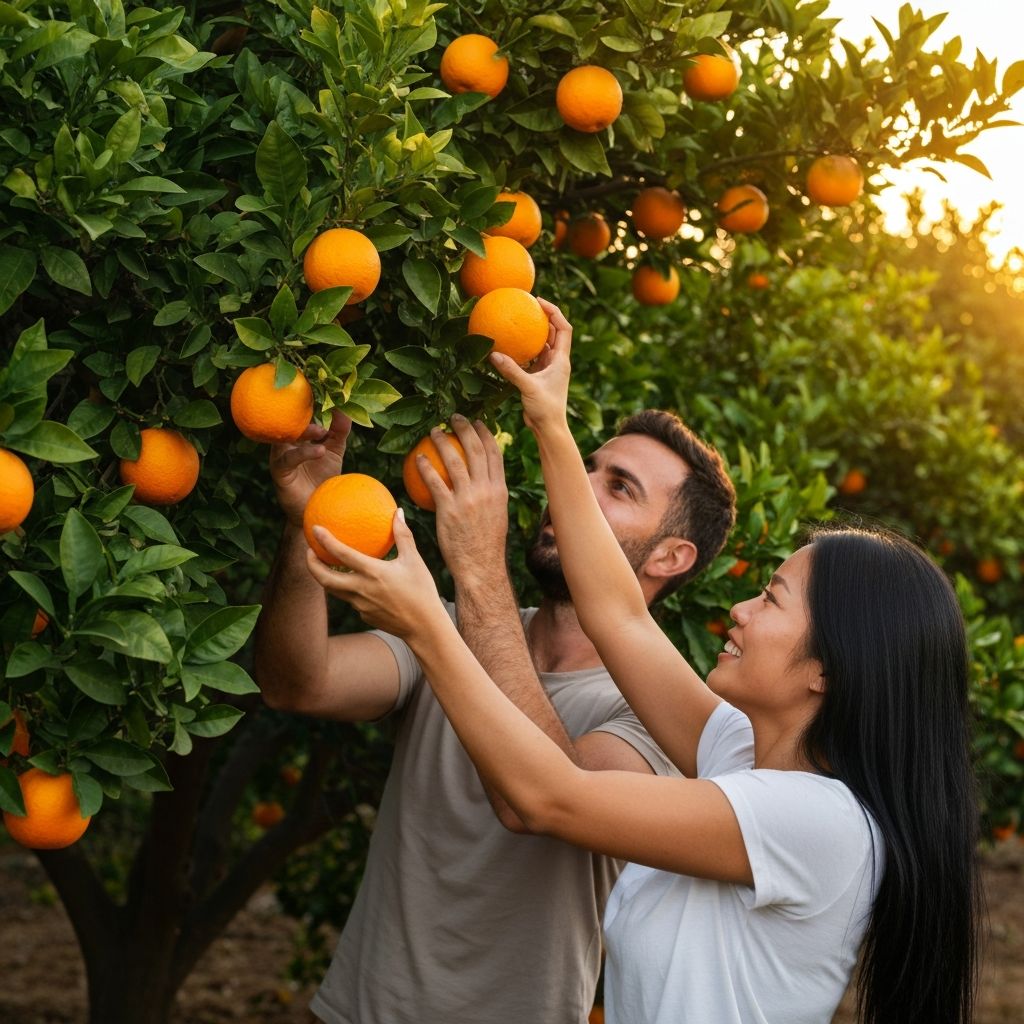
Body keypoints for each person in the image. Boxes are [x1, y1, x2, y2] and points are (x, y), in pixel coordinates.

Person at [307, 299, 982, 1024]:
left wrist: (432, 622)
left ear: (829, 670)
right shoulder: (738, 755)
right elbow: (620, 614)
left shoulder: (816, 821)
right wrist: (549, 420)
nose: (742, 611)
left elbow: (548, 797)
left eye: (774, 600)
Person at [253, 385, 737, 1022]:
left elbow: (540, 798)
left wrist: (478, 564)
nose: (575, 488)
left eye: (618, 488)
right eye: (584, 467)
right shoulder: (446, 629)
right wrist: (304, 522)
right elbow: (296, 683)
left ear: (672, 557)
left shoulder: (662, 721)